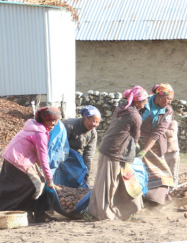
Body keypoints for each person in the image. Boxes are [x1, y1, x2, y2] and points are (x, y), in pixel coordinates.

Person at [0, 107, 59, 222]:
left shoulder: (34, 126)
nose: (53, 123)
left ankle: (31, 212)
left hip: (13, 158)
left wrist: (44, 173)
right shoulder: (40, 132)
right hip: (17, 160)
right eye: (50, 120)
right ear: (43, 120)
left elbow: (39, 156)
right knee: (33, 185)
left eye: (55, 120)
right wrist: (49, 178)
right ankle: (32, 213)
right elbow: (43, 156)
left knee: (18, 186)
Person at [88, 87, 146, 221]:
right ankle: (104, 213)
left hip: (110, 148)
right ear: (137, 102)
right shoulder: (134, 115)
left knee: (116, 181)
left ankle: (124, 210)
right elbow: (136, 136)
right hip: (114, 151)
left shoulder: (122, 107)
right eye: (144, 101)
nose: (145, 103)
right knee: (109, 184)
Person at [138, 83, 175, 205]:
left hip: (154, 144)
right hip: (136, 141)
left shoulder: (167, 111)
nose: (169, 102)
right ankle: (140, 199)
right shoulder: (143, 103)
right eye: (168, 99)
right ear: (159, 96)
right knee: (138, 170)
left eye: (171, 100)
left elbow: (158, 132)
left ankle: (156, 200)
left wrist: (145, 150)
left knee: (161, 173)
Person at [62, 105, 100, 185]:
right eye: (94, 121)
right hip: (63, 158)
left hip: (78, 159)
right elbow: (59, 147)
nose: (95, 125)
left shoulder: (93, 133)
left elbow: (88, 155)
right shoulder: (69, 125)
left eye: (98, 122)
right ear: (85, 118)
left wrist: (86, 176)